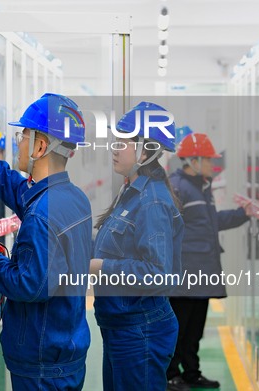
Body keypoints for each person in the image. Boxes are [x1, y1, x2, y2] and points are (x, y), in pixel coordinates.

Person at [0, 93, 92, 390]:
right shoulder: (73, 199)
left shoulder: (41, 214)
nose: (18, 143)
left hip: (41, 361)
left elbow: (29, 285)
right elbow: (19, 190)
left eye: (23, 135)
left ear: (40, 146)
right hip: (66, 346)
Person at [90, 101, 184, 391]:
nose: (115, 149)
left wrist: (99, 266)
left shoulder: (152, 201)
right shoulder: (131, 191)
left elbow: (158, 273)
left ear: (147, 151)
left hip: (139, 330)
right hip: (121, 326)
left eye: (124, 142)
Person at [167, 132, 249, 391]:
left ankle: (191, 372)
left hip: (203, 271)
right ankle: (171, 374)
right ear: (192, 160)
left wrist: (242, 215)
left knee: (195, 330)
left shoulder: (202, 186)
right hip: (185, 274)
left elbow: (210, 223)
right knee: (179, 328)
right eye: (207, 160)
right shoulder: (177, 187)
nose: (212, 165)